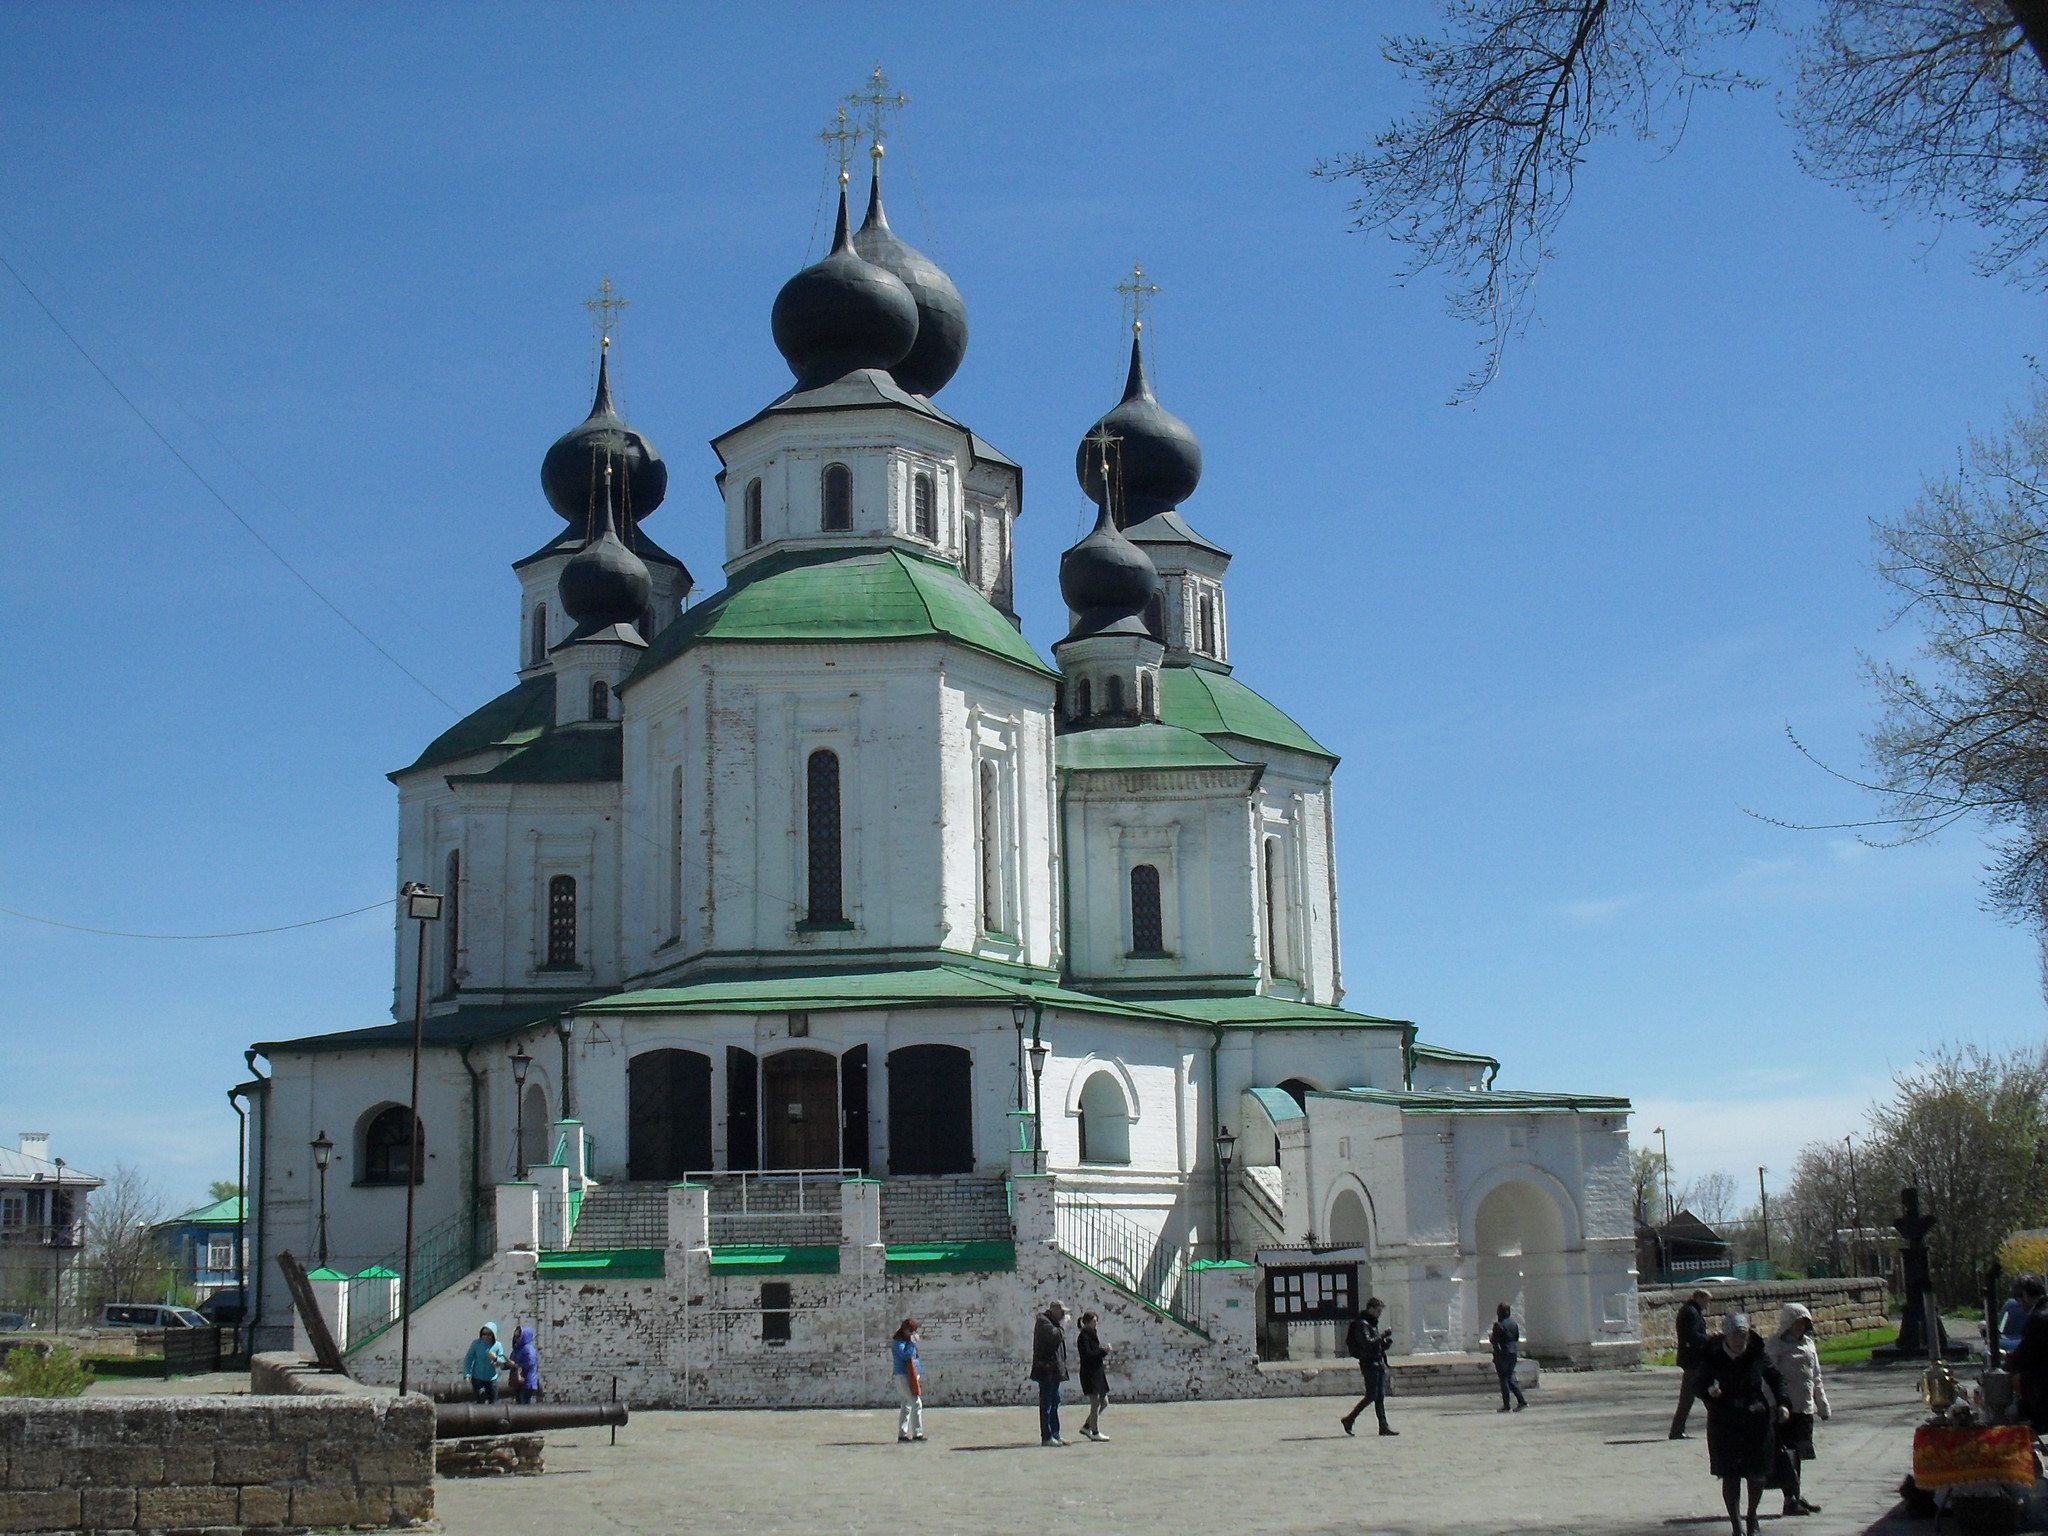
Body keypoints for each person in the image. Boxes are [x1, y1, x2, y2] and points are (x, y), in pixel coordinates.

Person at [1693, 1312, 1789, 1536]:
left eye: (1743, 1335)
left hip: (1755, 1417)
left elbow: (1776, 1378)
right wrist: (1710, 1391)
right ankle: (1736, 1524)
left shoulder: (1756, 1353)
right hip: (1724, 1420)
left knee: (1757, 1474)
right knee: (1730, 1473)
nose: (1739, 1340)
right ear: (1726, 1335)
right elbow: (1698, 1384)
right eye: (1735, 1335)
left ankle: (1752, 1515)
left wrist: (1783, 1403)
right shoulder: (1713, 1355)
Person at [1764, 1303, 1828, 1518]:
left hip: (1805, 1406)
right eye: (1797, 1323)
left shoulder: (1809, 1343)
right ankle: (1789, 1499)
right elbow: (1767, 1378)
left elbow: (1816, 1376)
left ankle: (1796, 1494)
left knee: (1800, 1453)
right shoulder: (1775, 1345)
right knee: (1787, 1454)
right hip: (1785, 1409)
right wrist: (1773, 1404)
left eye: (1804, 1323)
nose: (1800, 1327)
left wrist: (1822, 1404)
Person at [1339, 1297, 1397, 1437]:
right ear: (1370, 1308)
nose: (1379, 1314)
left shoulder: (1372, 1323)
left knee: (1380, 1396)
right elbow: (1366, 1343)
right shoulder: (1362, 1324)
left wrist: (1384, 1344)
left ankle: (1383, 1426)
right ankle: (1349, 1419)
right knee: (1371, 1395)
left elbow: (1375, 1344)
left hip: (1378, 1362)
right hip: (1369, 1364)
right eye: (1378, 1310)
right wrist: (1382, 1335)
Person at [2006, 1275, 2048, 1430]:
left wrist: (2007, 1364)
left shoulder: (2038, 1318)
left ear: (2024, 1295)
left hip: (2042, 1392)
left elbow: (2026, 1354)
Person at [1670, 1288, 1713, 1439]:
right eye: (1706, 1301)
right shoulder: (1691, 1312)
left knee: (1701, 1393)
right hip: (1693, 1360)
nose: (1708, 1304)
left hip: (1694, 1359)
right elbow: (1692, 1335)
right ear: (1699, 1298)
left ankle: (1677, 1429)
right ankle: (1676, 1430)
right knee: (1691, 1396)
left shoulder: (1691, 1310)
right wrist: (1710, 1338)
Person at [1030, 1300, 1069, 1447]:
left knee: (1055, 1402)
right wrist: (1062, 1326)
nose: (1064, 1314)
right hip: (1046, 1369)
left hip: (1054, 1369)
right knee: (1046, 1403)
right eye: (1061, 1311)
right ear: (1053, 1310)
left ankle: (1056, 1434)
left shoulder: (1052, 1322)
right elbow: (1054, 1337)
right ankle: (1046, 1436)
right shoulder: (1043, 1321)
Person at [1076, 1311, 1112, 1441]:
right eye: (1093, 1321)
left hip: (1097, 1372)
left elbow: (1095, 1353)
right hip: (1089, 1373)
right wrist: (1103, 1351)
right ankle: (1095, 1432)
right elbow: (1088, 1355)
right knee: (1095, 1402)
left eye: (1096, 1321)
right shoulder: (1083, 1337)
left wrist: (1102, 1351)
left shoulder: (1092, 1335)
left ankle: (1087, 1426)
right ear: (1087, 1323)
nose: (1096, 1323)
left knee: (1104, 1402)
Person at [890, 1318, 925, 1443]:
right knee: (916, 1403)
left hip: (909, 1375)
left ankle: (902, 1434)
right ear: (904, 1330)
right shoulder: (898, 1343)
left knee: (907, 1405)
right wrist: (912, 1343)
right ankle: (917, 1433)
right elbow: (905, 1355)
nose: (913, 1333)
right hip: (902, 1376)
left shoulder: (905, 1341)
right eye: (911, 1331)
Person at [1490, 1302, 1528, 1412]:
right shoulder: (1514, 1324)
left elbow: (1494, 1340)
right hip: (1513, 1352)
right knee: (1510, 1378)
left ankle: (1506, 1405)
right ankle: (1521, 1400)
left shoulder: (1498, 1325)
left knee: (1504, 1380)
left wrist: (1491, 1338)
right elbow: (1516, 1338)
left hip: (1502, 1354)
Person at [461, 1323, 505, 1404]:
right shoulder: (476, 1344)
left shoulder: (498, 1345)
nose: (486, 1337)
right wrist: (467, 1374)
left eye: (489, 1334)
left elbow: (502, 1361)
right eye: (484, 1334)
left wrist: (496, 1358)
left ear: (493, 1335)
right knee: (481, 1396)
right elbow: (469, 1359)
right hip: (478, 1377)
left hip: (491, 1378)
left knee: (494, 1401)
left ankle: (493, 1416)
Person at [508, 1324, 540, 1406]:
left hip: (527, 1381)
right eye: (515, 1336)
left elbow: (530, 1363)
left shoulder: (528, 1349)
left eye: (518, 1336)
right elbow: (511, 1362)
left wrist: (515, 1364)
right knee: (519, 1402)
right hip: (517, 1382)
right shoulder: (517, 1349)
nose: (516, 1338)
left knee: (524, 1403)